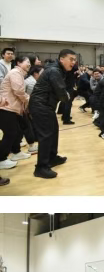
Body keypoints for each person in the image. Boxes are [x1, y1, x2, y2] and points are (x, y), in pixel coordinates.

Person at [28, 48, 76, 179]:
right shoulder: (54, 71)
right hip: (41, 106)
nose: (73, 62)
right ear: (61, 59)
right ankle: (41, 168)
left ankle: (52, 158)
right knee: (46, 135)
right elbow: (62, 92)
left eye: (75, 60)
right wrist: (67, 95)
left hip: (46, 106)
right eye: (71, 59)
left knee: (53, 131)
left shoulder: (58, 70)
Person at [0, 55, 31, 171]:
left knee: (18, 131)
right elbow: (18, 91)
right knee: (10, 133)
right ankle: (1, 159)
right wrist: (29, 99)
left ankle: (16, 152)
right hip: (6, 107)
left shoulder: (20, 74)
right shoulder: (15, 73)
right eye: (27, 62)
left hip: (12, 107)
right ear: (18, 63)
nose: (29, 64)